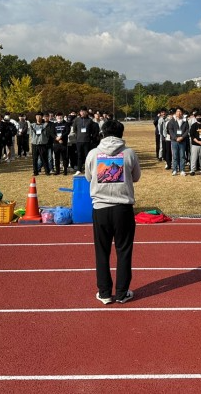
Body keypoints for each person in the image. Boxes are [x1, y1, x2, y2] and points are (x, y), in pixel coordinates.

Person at [85, 119, 141, 305]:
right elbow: (136, 177)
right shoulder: (129, 153)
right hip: (123, 208)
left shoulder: (93, 154)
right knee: (124, 251)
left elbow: (88, 176)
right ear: (121, 134)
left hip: (100, 208)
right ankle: (122, 292)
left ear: (103, 133)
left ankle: (105, 292)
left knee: (102, 251)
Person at [72, 107, 98, 175]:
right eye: (81, 111)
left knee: (87, 156)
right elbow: (74, 129)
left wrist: (91, 137)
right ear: (79, 112)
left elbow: (93, 130)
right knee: (79, 155)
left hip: (87, 141)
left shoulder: (90, 121)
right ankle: (79, 169)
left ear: (86, 112)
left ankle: (88, 169)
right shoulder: (76, 120)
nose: (82, 112)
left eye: (84, 111)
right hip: (79, 141)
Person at [165, 107, 189, 176]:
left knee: (182, 156)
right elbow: (170, 130)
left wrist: (182, 137)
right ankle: (174, 170)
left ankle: (182, 170)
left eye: (180, 111)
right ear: (175, 113)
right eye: (177, 111)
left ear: (182, 113)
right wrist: (176, 138)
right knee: (175, 156)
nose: (179, 113)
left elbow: (187, 130)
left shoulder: (185, 121)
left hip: (182, 140)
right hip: (174, 141)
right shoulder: (172, 121)